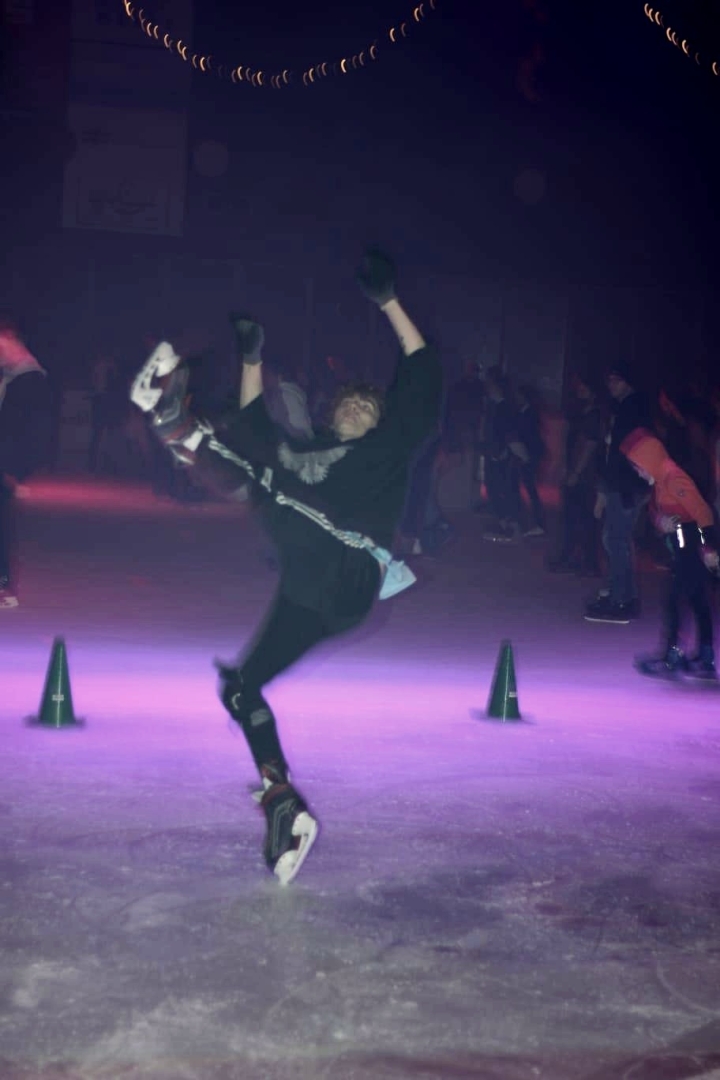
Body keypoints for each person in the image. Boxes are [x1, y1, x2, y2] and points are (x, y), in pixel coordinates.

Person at [130, 250, 443, 885]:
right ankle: (282, 804)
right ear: (332, 414)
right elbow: (255, 430)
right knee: (241, 688)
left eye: (368, 408)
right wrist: (252, 358)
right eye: (349, 406)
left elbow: (422, 375)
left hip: (349, 569)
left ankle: (179, 430)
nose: (356, 412)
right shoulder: (306, 455)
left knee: (271, 485)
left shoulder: (384, 453)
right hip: (307, 592)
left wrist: (389, 303)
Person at [620, 428, 718, 680]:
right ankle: (704, 657)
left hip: (692, 547)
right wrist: (660, 522)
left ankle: (672, 657)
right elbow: (659, 513)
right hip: (684, 546)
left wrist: (709, 548)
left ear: (649, 460)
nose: (638, 472)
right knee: (695, 598)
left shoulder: (673, 478)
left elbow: (703, 513)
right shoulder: (661, 480)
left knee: (674, 600)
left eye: (638, 466)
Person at [584, 364, 653, 624]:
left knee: (616, 540)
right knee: (616, 539)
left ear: (627, 382)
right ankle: (624, 595)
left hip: (626, 485)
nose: (610, 384)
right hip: (627, 484)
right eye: (609, 380)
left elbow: (621, 453)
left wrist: (613, 486)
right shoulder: (629, 407)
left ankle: (620, 599)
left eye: (615, 380)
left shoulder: (631, 409)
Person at [0, 321, 51, 609]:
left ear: (14, 343)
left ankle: (5, 588)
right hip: (5, 463)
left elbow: (30, 431)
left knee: (3, 529)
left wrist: (15, 470)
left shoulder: (29, 380)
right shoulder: (13, 377)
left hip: (5, 464)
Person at [549, 374, 603, 575]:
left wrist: (575, 472)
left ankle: (584, 560)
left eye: (584, 387)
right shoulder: (582, 413)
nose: (580, 389)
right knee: (574, 516)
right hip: (579, 471)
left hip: (585, 474)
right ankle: (576, 558)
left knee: (582, 517)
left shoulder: (594, 416)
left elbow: (589, 446)